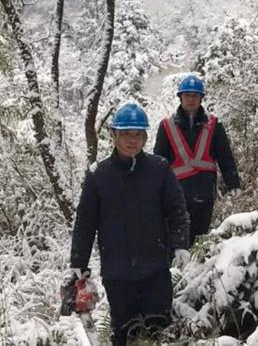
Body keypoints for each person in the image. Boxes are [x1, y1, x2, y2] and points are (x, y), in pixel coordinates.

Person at [64, 103, 191, 346]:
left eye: (138, 134)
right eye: (126, 134)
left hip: (155, 268)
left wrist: (180, 244)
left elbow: (177, 210)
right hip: (117, 272)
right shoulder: (98, 176)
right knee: (123, 331)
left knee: (159, 329)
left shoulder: (160, 169)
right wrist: (78, 263)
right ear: (113, 135)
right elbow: (85, 222)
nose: (132, 140)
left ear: (145, 137)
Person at [154, 74, 241, 245]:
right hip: (176, 193)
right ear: (180, 97)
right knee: (177, 236)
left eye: (195, 95)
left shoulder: (214, 125)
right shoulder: (167, 126)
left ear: (201, 98)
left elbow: (225, 156)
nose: (191, 100)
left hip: (205, 191)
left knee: (200, 237)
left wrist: (234, 183)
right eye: (187, 95)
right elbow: (159, 162)